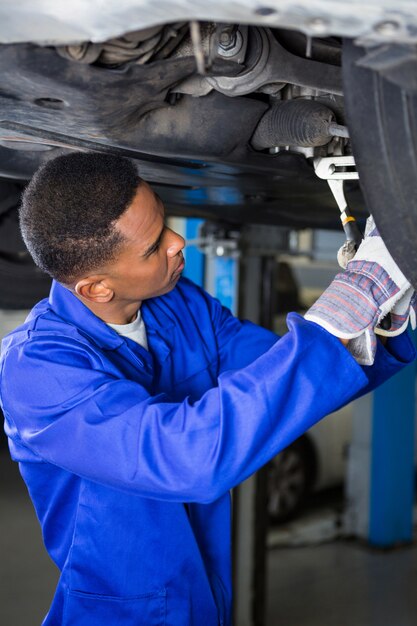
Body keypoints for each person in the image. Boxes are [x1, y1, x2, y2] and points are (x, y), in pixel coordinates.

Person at [0, 152, 415, 626]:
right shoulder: (36, 369)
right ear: (96, 288)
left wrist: (386, 320)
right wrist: (353, 296)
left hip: (207, 595)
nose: (178, 242)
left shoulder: (176, 302)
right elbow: (187, 457)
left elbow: (284, 378)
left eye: (165, 221)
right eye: (155, 246)